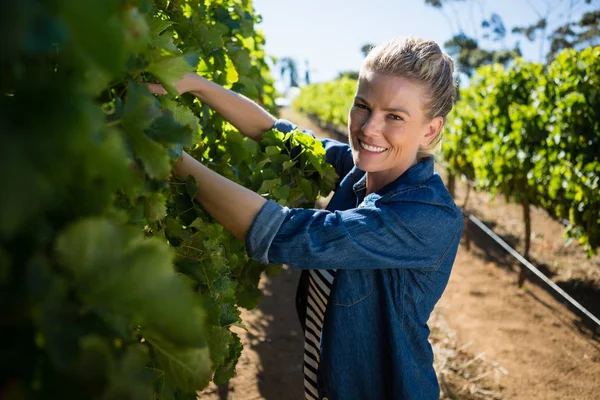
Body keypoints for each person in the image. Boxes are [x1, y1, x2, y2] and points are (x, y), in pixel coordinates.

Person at [148, 36, 464, 400]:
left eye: (394, 116)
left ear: (430, 130)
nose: (368, 128)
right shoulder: (359, 172)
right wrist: (197, 85)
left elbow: (283, 232)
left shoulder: (426, 216)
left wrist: (170, 153)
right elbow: (278, 135)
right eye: (363, 106)